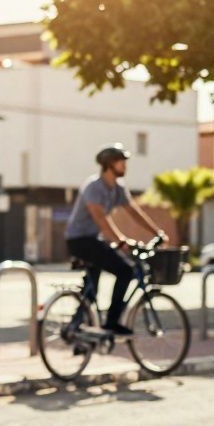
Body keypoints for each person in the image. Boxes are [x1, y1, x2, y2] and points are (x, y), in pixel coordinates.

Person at [63, 143, 167, 336]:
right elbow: (101, 219)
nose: (125, 166)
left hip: (93, 240)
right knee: (125, 271)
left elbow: (134, 212)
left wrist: (157, 232)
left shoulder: (117, 188)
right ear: (109, 164)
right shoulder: (93, 187)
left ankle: (78, 331)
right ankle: (111, 323)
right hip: (79, 240)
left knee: (92, 289)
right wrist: (120, 240)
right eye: (121, 162)